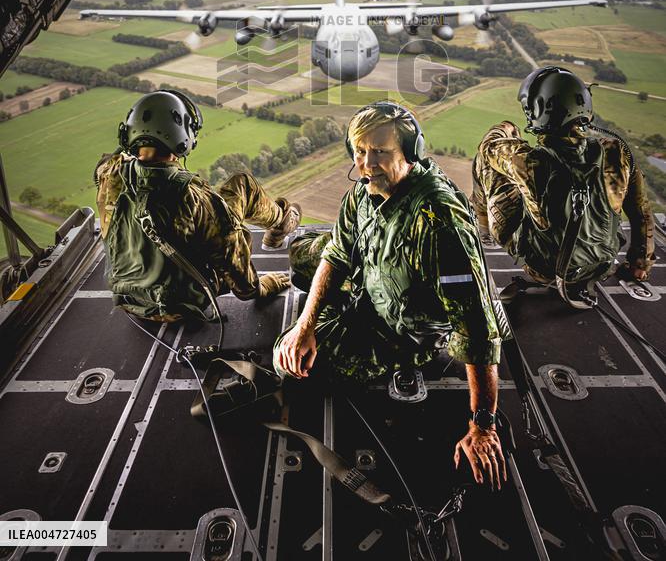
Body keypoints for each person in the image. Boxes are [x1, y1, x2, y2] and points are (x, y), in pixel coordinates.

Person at [275, 102, 507, 488]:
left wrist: (483, 425)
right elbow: (336, 252)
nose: (367, 164)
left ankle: (402, 357)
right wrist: (306, 323)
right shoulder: (365, 192)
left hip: (405, 330)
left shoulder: (439, 223)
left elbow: (475, 330)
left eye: (380, 152)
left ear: (410, 153)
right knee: (305, 256)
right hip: (374, 285)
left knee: (288, 366)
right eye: (360, 152)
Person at [94, 90, 301, 320]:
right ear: (181, 136)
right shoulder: (195, 199)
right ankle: (281, 223)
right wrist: (262, 286)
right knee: (242, 185)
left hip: (129, 300)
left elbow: (117, 159)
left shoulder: (109, 174)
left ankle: (279, 223)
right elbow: (237, 271)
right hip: (181, 306)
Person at [472, 66, 655, 297]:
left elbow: (488, 147)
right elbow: (642, 212)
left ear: (539, 109)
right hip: (601, 267)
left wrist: (506, 128)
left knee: (488, 163)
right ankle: (637, 267)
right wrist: (640, 265)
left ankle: (483, 228)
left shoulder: (530, 161)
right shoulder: (617, 153)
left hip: (545, 269)